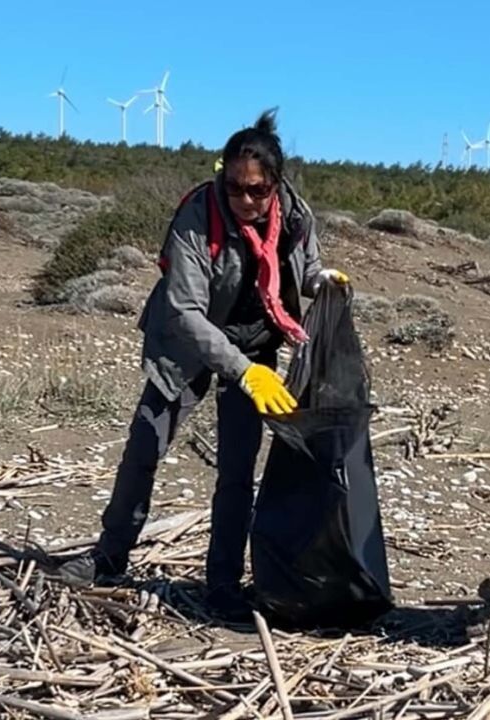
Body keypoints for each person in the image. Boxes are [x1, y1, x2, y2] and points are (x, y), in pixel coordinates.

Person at [60, 109, 349, 622]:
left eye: (257, 191)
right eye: (235, 187)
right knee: (144, 448)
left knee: (236, 471)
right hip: (186, 346)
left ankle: (223, 584)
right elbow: (184, 311)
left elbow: (301, 273)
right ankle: (108, 557)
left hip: (256, 341)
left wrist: (323, 280)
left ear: (276, 186)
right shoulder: (198, 214)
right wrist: (243, 371)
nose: (244, 200)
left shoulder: (295, 215)